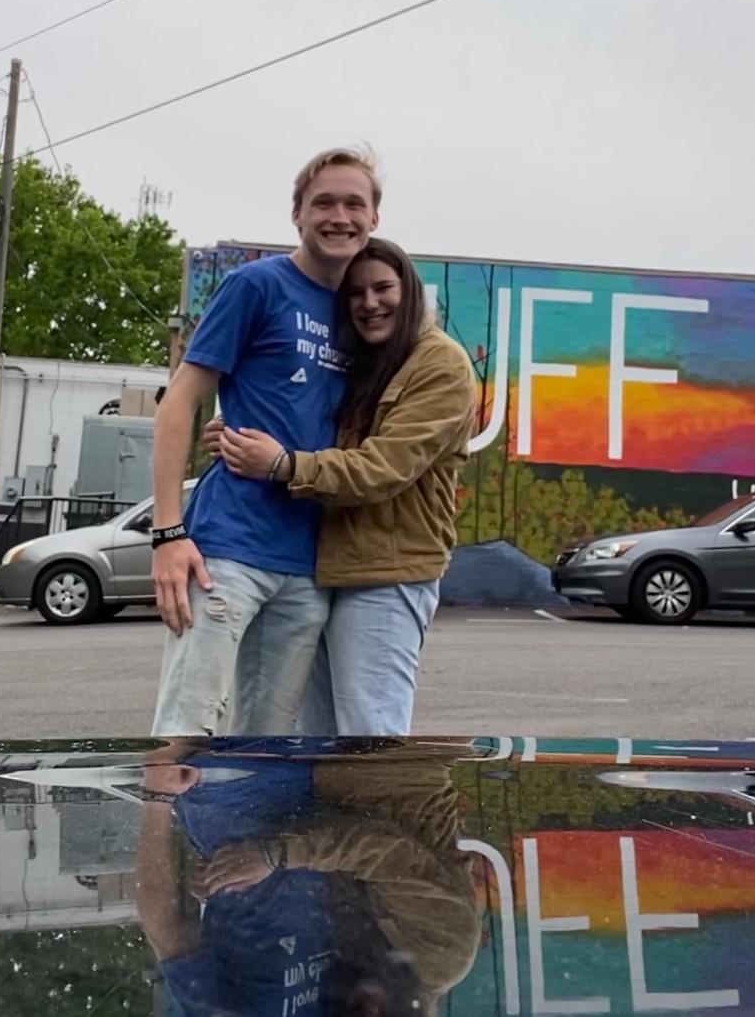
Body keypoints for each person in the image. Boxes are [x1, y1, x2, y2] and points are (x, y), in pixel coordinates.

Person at [148, 149, 380, 737]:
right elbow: (180, 400)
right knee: (185, 731)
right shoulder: (256, 285)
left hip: (309, 566)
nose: (339, 216)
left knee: (264, 746)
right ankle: (158, 834)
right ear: (297, 213)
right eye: (323, 201)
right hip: (228, 551)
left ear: (374, 219)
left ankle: (240, 836)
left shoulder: (363, 314)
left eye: (355, 203)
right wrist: (168, 533)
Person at [211, 238, 477, 737]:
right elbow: (313, 429)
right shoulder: (364, 361)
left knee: (369, 738)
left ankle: (381, 818)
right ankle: (332, 820)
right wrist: (235, 434)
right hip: (326, 567)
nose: (369, 302)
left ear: (411, 290)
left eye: (383, 288)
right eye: (355, 292)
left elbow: (384, 467)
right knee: (319, 741)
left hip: (387, 574)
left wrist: (283, 465)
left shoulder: (441, 364)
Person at [135, 738, 480, 1017]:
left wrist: (213, 882)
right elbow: (385, 852)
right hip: (406, 751)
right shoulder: (444, 955)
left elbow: (170, 932)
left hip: (301, 766)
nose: (369, 1009)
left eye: (358, 1013)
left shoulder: (350, 978)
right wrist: (274, 856)